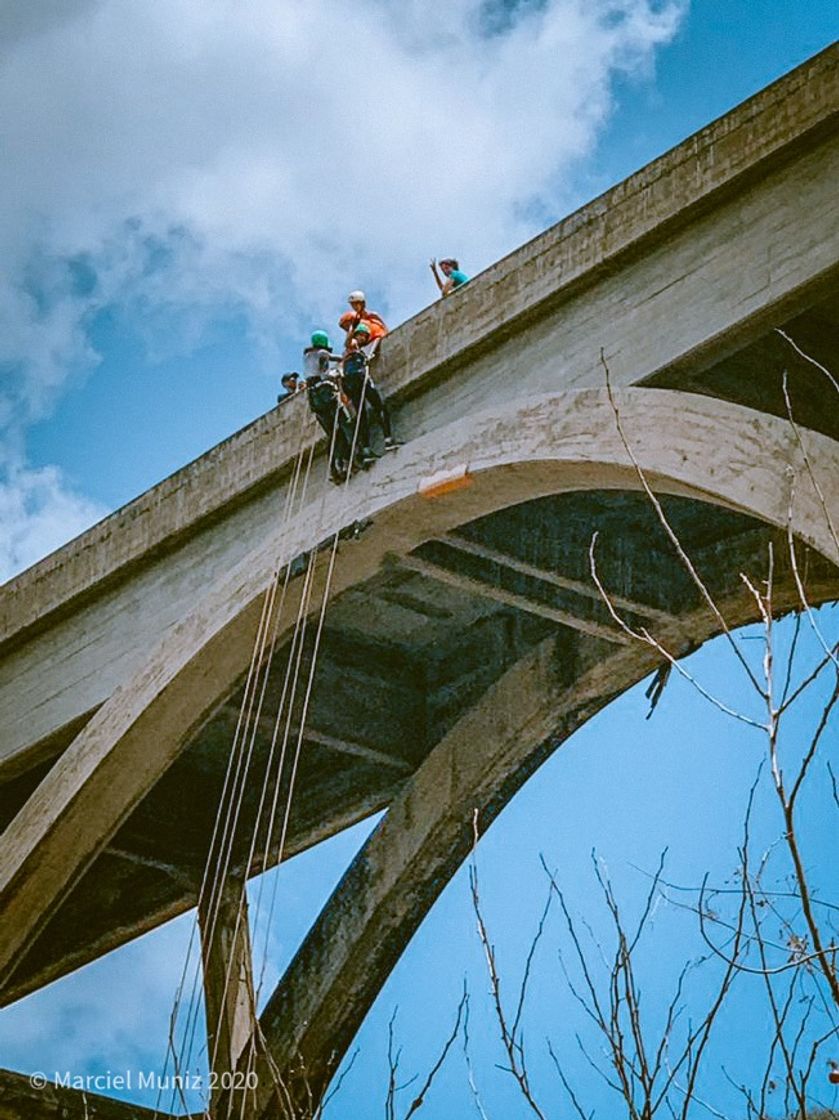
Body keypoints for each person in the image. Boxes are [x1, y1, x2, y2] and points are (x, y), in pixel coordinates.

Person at [341, 323, 400, 457]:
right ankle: (388, 440)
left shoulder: (349, 355)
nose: (363, 338)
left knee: (361, 416)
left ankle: (366, 450)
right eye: (361, 335)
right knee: (379, 408)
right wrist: (351, 329)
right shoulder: (353, 345)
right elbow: (349, 342)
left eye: (365, 336)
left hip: (350, 384)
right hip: (360, 379)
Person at [305, 371, 356, 482]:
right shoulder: (327, 377)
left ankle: (335, 468)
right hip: (330, 407)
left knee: (333, 436)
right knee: (343, 431)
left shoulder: (312, 387)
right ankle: (348, 461)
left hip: (322, 412)